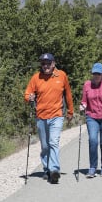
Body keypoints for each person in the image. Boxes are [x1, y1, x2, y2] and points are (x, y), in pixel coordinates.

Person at [24, 53, 74, 184]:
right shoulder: (36, 78)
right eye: (43, 63)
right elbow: (27, 93)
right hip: (41, 116)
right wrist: (29, 97)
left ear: (53, 63)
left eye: (48, 63)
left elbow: (68, 93)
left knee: (53, 142)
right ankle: (46, 169)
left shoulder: (62, 75)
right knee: (45, 146)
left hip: (57, 115)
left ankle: (54, 170)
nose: (45, 66)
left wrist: (70, 111)